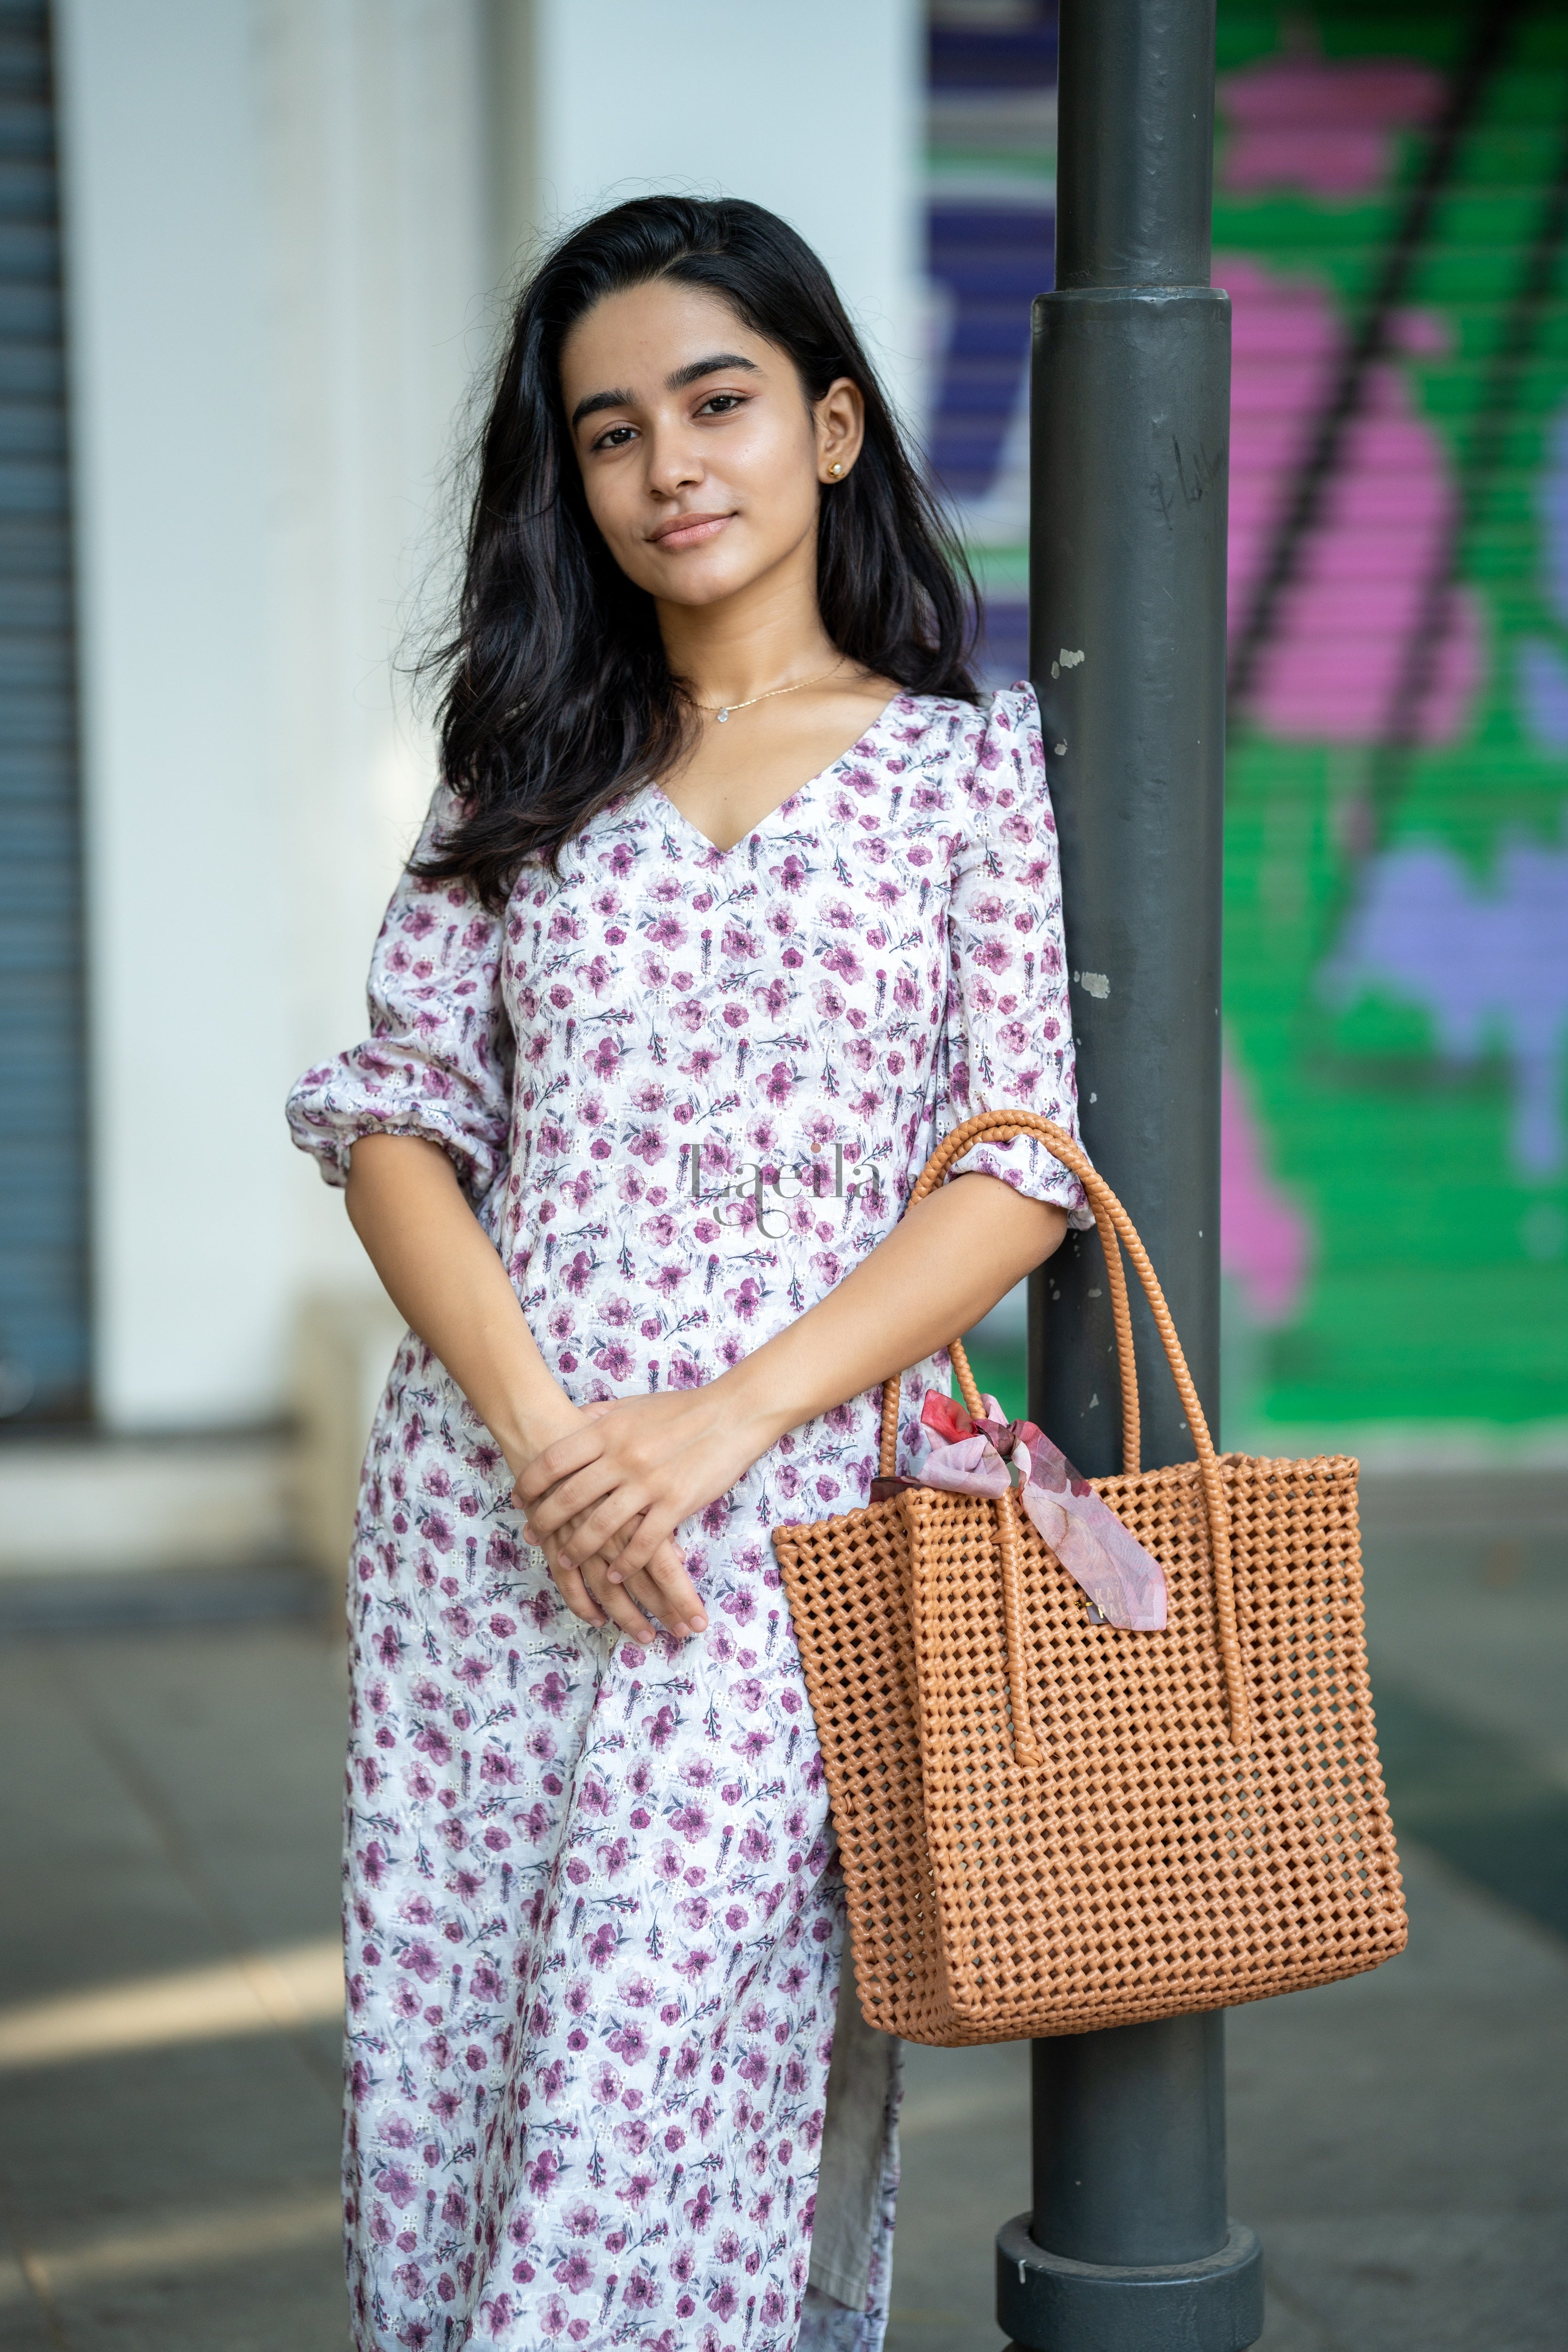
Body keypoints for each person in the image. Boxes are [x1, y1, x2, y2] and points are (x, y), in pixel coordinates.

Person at [287, 193, 1089, 2352]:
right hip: (493, 1517)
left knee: (666, 2091)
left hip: (782, 1529)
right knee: (461, 2076)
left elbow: (1017, 1171)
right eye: (610, 429)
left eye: (718, 402)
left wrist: (713, 1429)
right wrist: (556, 1442)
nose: (670, 466)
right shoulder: (525, 764)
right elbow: (393, 1124)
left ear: (833, 425)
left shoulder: (960, 767)